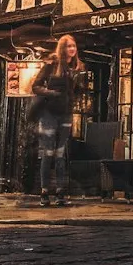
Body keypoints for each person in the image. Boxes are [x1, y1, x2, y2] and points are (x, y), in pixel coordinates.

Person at [31, 34, 87, 207]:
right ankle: (45, 191)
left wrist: (77, 92)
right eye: (69, 46)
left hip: (65, 113)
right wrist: (52, 93)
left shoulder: (77, 67)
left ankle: (61, 192)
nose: (72, 49)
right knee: (48, 153)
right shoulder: (52, 64)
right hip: (48, 113)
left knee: (61, 153)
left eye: (74, 46)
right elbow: (35, 86)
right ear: (62, 48)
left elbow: (78, 90)